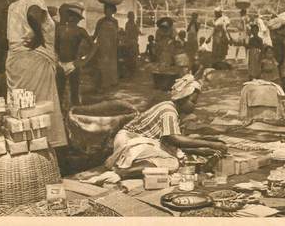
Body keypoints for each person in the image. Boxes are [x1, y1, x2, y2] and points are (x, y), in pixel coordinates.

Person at [82, 74, 228, 184]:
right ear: (182, 98)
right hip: (130, 142)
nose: (194, 105)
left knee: (172, 157)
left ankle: (125, 169)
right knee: (172, 163)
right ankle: (121, 173)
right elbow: (173, 139)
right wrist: (211, 144)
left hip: (139, 142)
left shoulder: (171, 109)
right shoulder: (169, 111)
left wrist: (202, 149)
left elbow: (172, 143)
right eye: (193, 101)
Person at [5, 0, 68, 150]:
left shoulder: (13, 5)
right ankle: (44, 145)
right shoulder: (35, 0)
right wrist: (39, 38)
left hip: (15, 60)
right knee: (41, 105)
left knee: (19, 104)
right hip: (34, 60)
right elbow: (33, 15)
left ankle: (19, 144)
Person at [55, 3, 96, 108]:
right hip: (60, 64)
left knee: (75, 92)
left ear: (78, 19)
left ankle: (76, 114)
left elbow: (94, 46)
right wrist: (56, 60)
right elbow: (54, 46)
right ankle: (61, 118)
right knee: (59, 92)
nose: (72, 18)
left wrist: (84, 61)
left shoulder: (80, 31)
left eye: (75, 17)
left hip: (73, 64)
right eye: (70, 15)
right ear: (68, 16)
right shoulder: (59, 29)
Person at [92, 3, 119, 90]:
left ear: (113, 11)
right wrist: (90, 41)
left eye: (110, 10)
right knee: (103, 64)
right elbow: (95, 33)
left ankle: (112, 82)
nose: (108, 12)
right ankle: (104, 84)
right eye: (106, 10)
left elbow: (117, 34)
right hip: (102, 46)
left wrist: (117, 43)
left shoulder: (115, 21)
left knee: (112, 63)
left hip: (112, 46)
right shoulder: (100, 21)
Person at [125, 11, 141, 77]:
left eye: (133, 16)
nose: (132, 18)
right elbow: (128, 33)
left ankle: (133, 70)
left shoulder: (134, 24)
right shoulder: (129, 24)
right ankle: (131, 70)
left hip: (134, 41)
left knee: (134, 56)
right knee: (130, 56)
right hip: (130, 41)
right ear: (129, 17)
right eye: (131, 16)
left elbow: (138, 32)